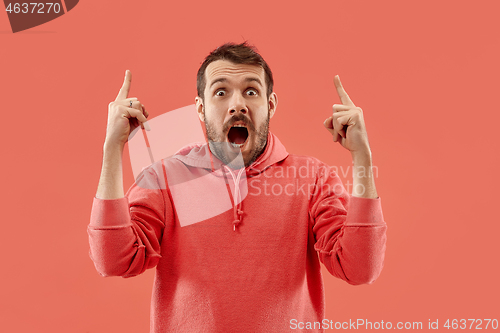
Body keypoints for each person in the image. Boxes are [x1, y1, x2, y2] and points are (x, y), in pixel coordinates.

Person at [88, 42, 387, 332]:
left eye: (251, 91)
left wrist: (362, 156)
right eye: (221, 92)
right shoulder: (165, 178)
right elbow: (114, 260)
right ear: (201, 109)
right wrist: (112, 149)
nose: (237, 105)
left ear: (270, 105)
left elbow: (360, 268)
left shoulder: (313, 178)